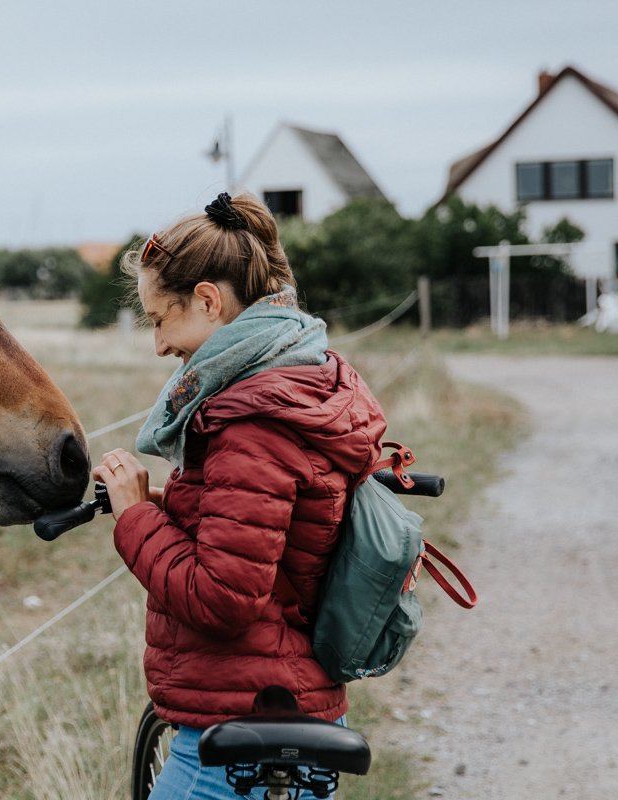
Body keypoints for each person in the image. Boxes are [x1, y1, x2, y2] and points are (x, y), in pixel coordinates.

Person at [94, 191, 388, 799]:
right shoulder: (295, 380)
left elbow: (223, 598)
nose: (158, 345)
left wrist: (135, 516)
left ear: (207, 300)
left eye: (159, 319)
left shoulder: (252, 424)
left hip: (241, 739)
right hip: (273, 702)